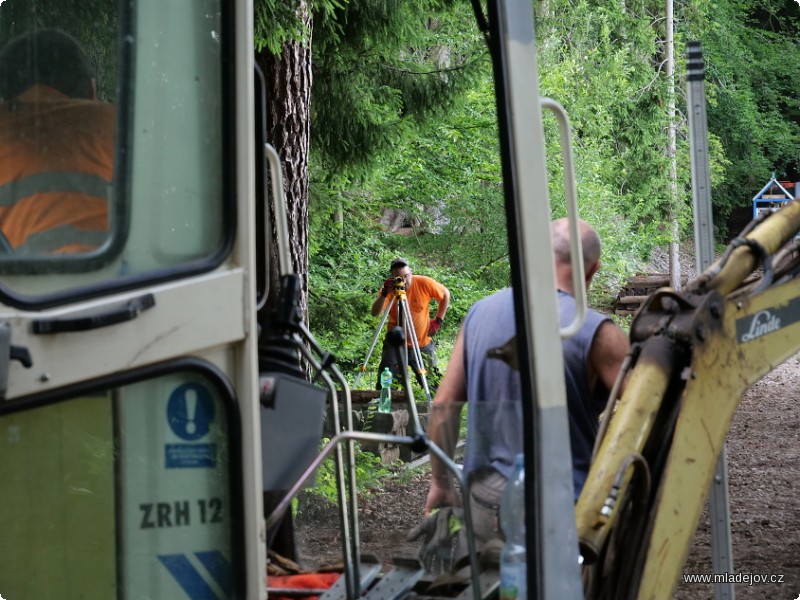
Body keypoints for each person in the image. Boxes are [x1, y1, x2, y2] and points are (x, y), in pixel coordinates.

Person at [423, 218, 630, 557]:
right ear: (592, 270)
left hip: (484, 503)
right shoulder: (599, 332)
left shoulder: (479, 314)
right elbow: (648, 409)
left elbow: (444, 405)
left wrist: (440, 484)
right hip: (563, 511)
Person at [0, 28, 115, 255]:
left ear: (3, 100)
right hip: (125, 284)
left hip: (25, 286)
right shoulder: (128, 129)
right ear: (92, 91)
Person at [371, 257, 450, 390]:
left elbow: (445, 294)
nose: (404, 281)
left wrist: (438, 320)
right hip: (395, 345)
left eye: (406, 276)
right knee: (386, 384)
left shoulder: (424, 282)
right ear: (393, 277)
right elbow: (375, 313)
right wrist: (385, 293)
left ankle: (436, 409)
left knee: (432, 385)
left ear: (411, 273)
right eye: (399, 277)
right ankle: (386, 407)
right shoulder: (389, 288)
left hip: (422, 343)